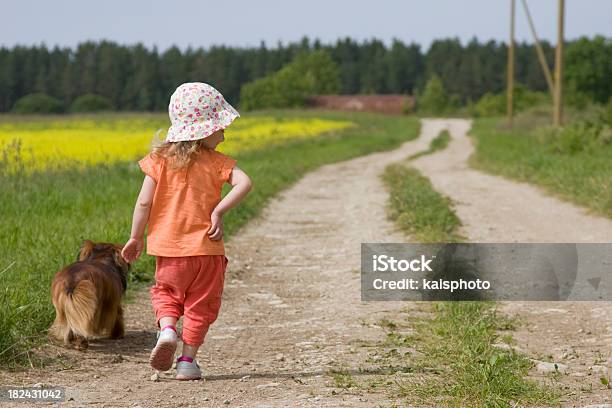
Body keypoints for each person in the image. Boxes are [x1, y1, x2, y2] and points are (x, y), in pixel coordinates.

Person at [121, 82, 252, 380]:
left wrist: (135, 236)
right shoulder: (218, 162)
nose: (224, 134)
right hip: (206, 251)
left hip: (168, 251)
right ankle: (186, 362)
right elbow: (245, 183)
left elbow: (144, 202)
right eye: (221, 127)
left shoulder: (159, 161)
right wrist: (218, 211)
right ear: (205, 131)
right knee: (199, 305)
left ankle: (167, 329)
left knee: (166, 294)